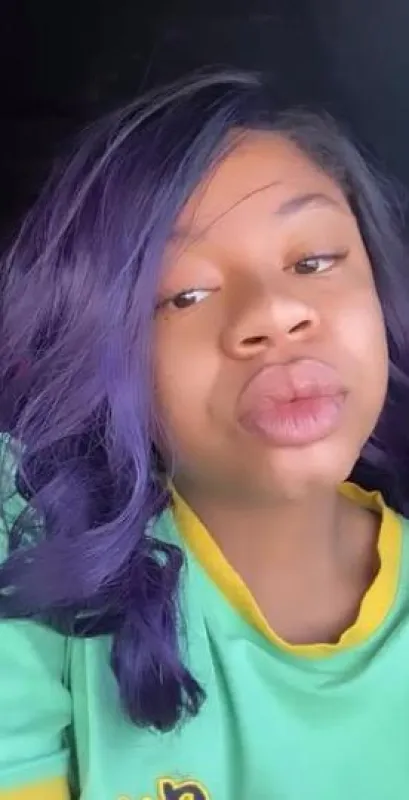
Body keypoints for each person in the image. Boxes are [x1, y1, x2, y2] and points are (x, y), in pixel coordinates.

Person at [1, 70, 409, 800]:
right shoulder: (32, 559)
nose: (275, 313)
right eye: (184, 294)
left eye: (313, 262)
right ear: (105, 348)